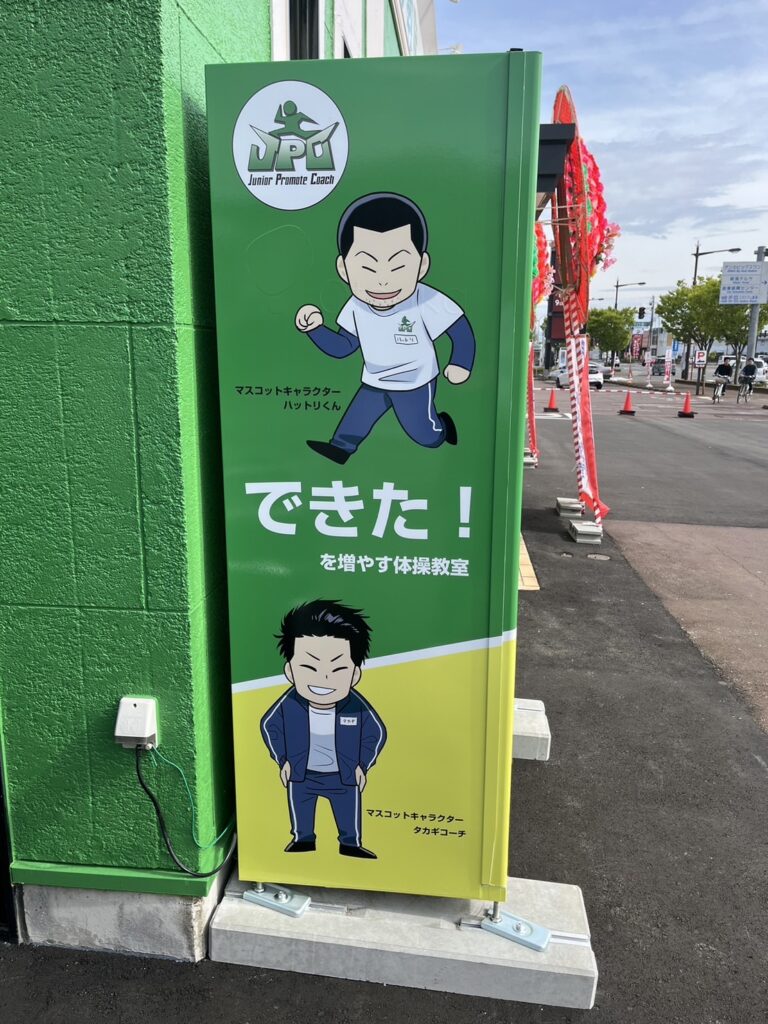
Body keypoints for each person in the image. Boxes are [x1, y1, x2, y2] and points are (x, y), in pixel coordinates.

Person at [295, 192, 476, 463]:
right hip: (374, 379)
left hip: (415, 382)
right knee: (357, 418)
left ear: (421, 266)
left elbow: (459, 330)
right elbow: (344, 347)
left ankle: (441, 430)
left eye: (398, 266)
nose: (382, 281)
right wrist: (315, 329)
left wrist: (461, 363)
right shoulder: (355, 306)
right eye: (367, 268)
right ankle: (341, 448)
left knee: (423, 434)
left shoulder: (426, 299)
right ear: (344, 269)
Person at [260, 600, 386, 859]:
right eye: (309, 667)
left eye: (338, 669)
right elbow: (270, 726)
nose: (324, 678)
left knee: (347, 810)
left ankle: (350, 843)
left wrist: (363, 764)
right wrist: (283, 759)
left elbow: (375, 733)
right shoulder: (290, 703)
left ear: (354, 675)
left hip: (343, 774)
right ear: (290, 671)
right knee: (301, 809)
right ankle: (303, 839)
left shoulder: (356, 706)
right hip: (302, 772)